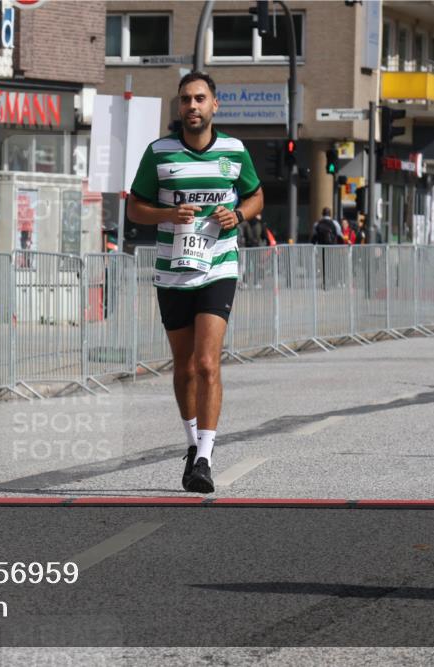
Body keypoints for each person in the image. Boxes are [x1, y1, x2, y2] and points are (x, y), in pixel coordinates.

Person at [126, 71, 264, 494]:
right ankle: (191, 445)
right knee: (183, 367)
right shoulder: (160, 152)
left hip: (218, 267)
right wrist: (167, 214)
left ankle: (205, 456)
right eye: (186, 99)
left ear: (214, 105)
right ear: (179, 106)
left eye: (200, 98)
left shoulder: (234, 151)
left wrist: (237, 215)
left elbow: (256, 195)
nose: (192, 106)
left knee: (207, 363)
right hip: (172, 270)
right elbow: (135, 208)